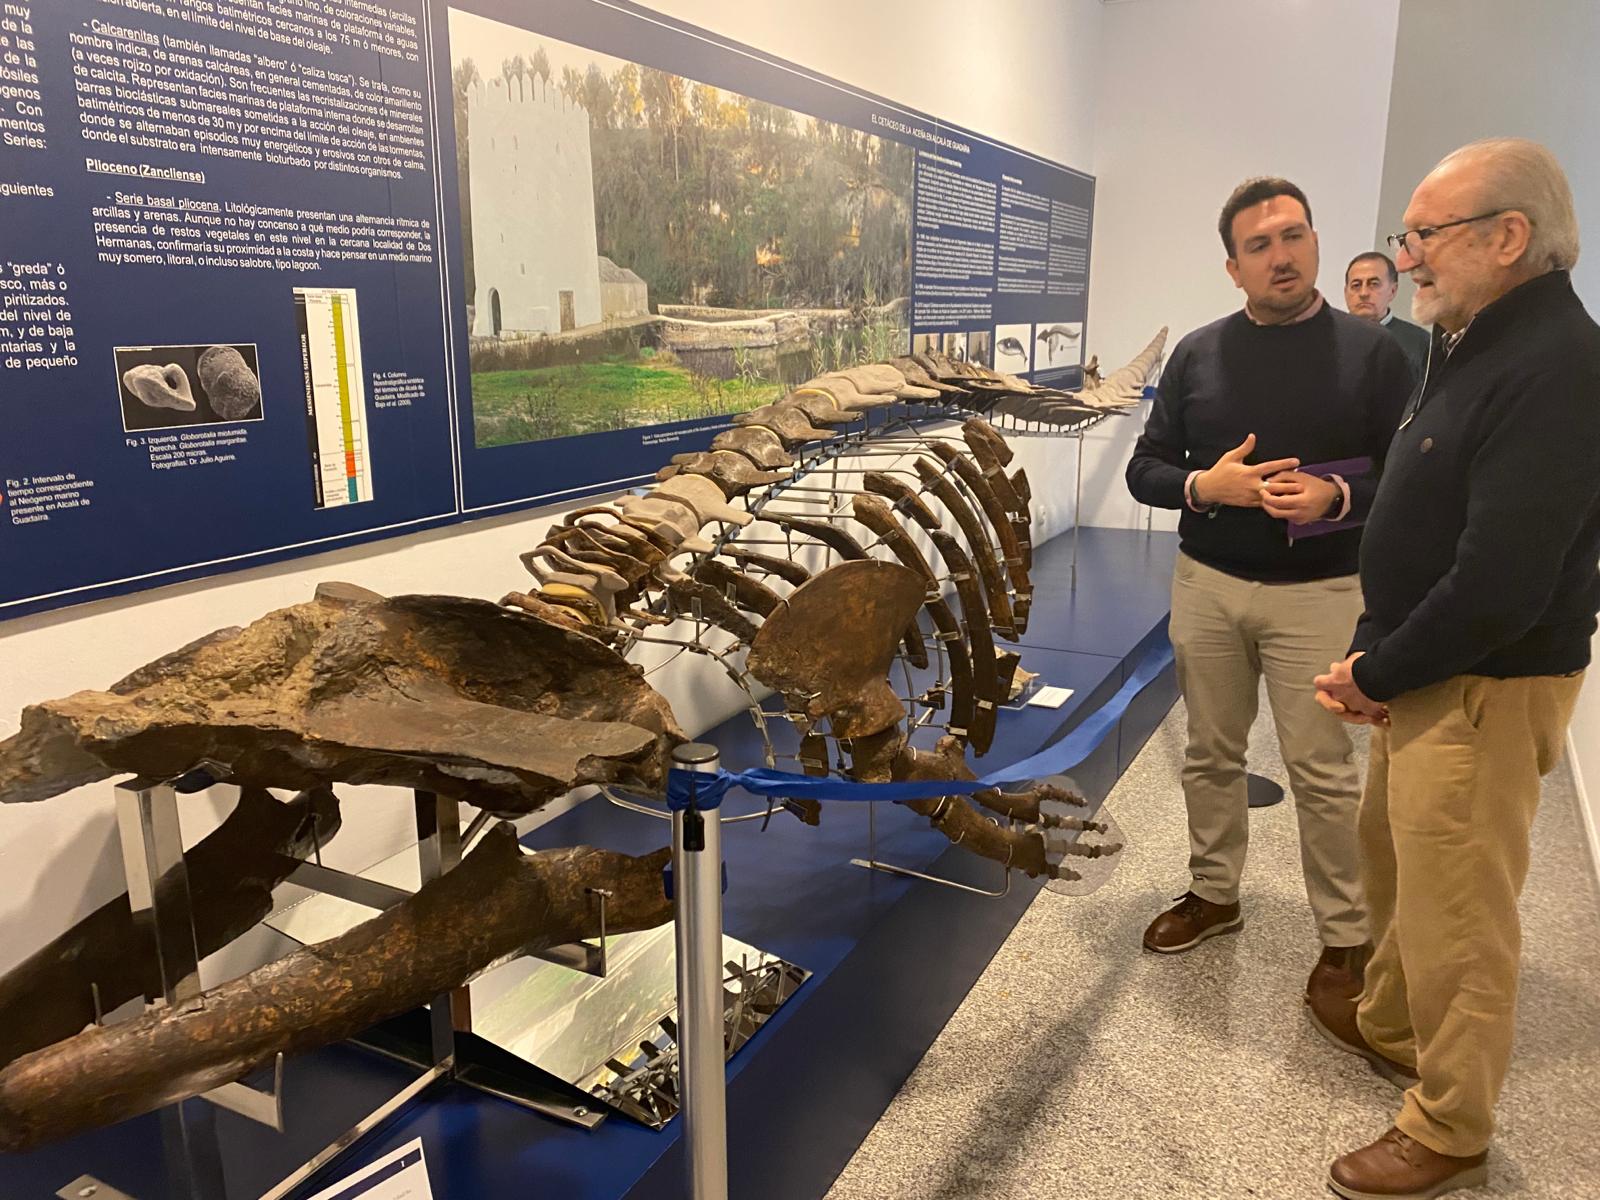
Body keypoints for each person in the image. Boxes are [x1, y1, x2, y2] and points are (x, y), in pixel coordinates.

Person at [1312, 138, 1600, 1199]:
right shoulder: (1474, 343)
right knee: (1397, 865)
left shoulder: (1558, 366)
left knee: (1461, 913)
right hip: (1433, 668)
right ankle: (1392, 1026)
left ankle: (1451, 1124)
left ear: (1507, 236)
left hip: (1483, 681)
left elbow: (1500, 583)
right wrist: (1385, 653)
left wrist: (1376, 669)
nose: (1408, 257)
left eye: (1424, 235)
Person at [1126, 178, 1413, 1009]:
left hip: (1321, 593)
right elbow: (1148, 468)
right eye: (1260, 246)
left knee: (1322, 771)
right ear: (1233, 267)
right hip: (1208, 586)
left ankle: (1346, 939)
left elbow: (1413, 473)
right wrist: (1204, 486)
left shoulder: (1375, 356)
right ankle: (1214, 894)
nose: (1280, 256)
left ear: (1316, 243)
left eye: (1293, 236)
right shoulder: (1198, 354)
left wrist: (1340, 499)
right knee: (1208, 753)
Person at [1345, 250, 1433, 380]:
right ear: (1346, 292)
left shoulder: (1420, 343)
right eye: (1356, 285)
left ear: (1392, 291)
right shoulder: (1328, 337)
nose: (1363, 293)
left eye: (1374, 284)